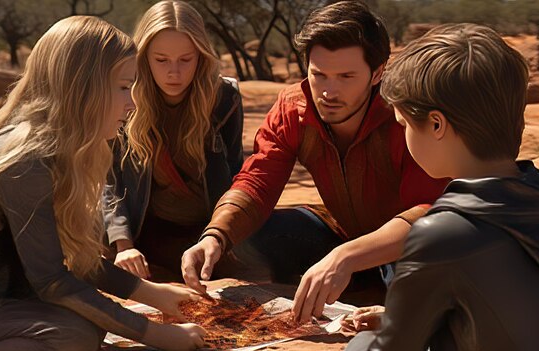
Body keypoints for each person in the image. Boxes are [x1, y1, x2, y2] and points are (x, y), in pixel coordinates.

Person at [181, 0, 448, 322]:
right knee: (245, 238)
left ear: (378, 72)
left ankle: (369, 286)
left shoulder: (404, 116)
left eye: (346, 76)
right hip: (340, 236)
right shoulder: (293, 107)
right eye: (319, 74)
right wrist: (216, 234)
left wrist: (347, 258)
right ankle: (350, 284)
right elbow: (258, 178)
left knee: (424, 281)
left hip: (406, 245)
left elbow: (431, 209)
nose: (329, 91)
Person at [0, 16, 206, 351]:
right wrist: (155, 334)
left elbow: (75, 259)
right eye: (123, 86)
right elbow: (51, 280)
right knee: (73, 333)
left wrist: (153, 294)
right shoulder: (24, 161)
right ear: (82, 87)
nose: (132, 103)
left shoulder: (55, 150)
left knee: (85, 327)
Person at [343, 23, 539, 351]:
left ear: (436, 124)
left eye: (404, 125)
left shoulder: (443, 232)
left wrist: (363, 341)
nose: (403, 136)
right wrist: (397, 316)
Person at [106, 0, 243, 280]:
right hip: (145, 232)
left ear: (201, 56)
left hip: (207, 232)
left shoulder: (224, 98)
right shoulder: (124, 96)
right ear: (143, 57)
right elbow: (108, 179)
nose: (174, 73)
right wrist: (124, 245)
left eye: (185, 59)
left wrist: (220, 236)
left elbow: (237, 173)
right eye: (161, 60)